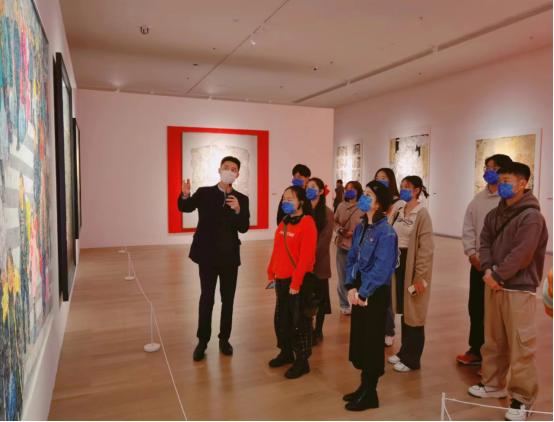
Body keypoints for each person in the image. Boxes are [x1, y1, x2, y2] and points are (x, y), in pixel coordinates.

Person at [469, 163, 549, 422]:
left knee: (521, 346)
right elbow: (485, 241)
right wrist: (488, 269)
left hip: (518, 289)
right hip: (494, 283)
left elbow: (523, 253)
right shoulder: (495, 213)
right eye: (500, 180)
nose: (501, 184)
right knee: (493, 340)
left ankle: (523, 399)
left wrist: (498, 275)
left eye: (506, 180)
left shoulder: (532, 217)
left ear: (522, 184)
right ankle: (493, 383)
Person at [178, 157, 251, 362]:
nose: (229, 171)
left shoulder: (242, 198)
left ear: (237, 175)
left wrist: (238, 210)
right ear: (219, 170)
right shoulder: (204, 193)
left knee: (228, 300)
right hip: (207, 256)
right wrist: (185, 195)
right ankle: (202, 341)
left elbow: (244, 227)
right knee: (206, 300)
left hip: (230, 258)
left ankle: (224, 339)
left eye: (233, 169)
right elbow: (185, 207)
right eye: (226, 167)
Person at [342, 181, 398, 412]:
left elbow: (382, 269)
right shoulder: (362, 226)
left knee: (373, 342)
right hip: (359, 292)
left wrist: (364, 292)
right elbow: (352, 258)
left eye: (368, 195)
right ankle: (363, 386)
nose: (363, 198)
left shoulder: (387, 232)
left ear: (379, 203)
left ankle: (370, 393)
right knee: (361, 339)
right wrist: (350, 286)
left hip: (374, 294)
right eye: (363, 193)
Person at [457, 154, 513, 367]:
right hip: (479, 264)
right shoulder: (477, 200)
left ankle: (494, 359)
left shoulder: (508, 200)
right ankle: (476, 350)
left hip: (501, 267)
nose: (490, 171)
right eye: (487, 167)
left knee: (496, 314)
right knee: (476, 308)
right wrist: (472, 254)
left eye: (495, 168)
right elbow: (468, 228)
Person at [267, 186, 318, 380]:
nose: (285, 202)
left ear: (301, 202)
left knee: (299, 322)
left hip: (298, 281)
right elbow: (277, 249)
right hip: (281, 279)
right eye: (284, 199)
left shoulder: (308, 224)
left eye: (290, 199)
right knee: (282, 319)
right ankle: (286, 352)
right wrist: (271, 271)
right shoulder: (284, 222)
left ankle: (302, 361)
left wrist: (296, 283)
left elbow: (306, 258)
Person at [389, 176, 434, 373]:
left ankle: (412, 359)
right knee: (404, 310)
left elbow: (426, 249)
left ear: (416, 190)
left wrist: (419, 277)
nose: (403, 189)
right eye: (401, 186)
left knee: (414, 312)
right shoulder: (399, 209)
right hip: (398, 265)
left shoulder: (422, 214)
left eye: (407, 187)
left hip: (413, 266)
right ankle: (403, 351)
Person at [375, 168, 403, 347]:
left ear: (391, 180)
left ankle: (389, 330)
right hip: (373, 252)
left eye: (383, 178)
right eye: (377, 178)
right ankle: (378, 327)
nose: (380, 181)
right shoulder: (374, 201)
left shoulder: (398, 204)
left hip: (388, 252)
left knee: (388, 294)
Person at [307, 178, 335, 346]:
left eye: (313, 187)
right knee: (306, 298)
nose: (309, 189)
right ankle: (307, 329)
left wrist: (308, 258)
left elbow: (324, 241)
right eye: (307, 187)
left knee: (321, 299)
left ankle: (318, 331)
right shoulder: (303, 210)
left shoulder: (327, 213)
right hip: (303, 263)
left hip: (319, 262)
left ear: (321, 191)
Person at [335, 181, 364, 315]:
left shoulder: (363, 207)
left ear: (358, 190)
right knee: (342, 277)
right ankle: (344, 304)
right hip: (342, 246)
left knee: (357, 276)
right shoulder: (341, 206)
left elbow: (367, 224)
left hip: (358, 247)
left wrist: (355, 232)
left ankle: (357, 302)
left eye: (352, 189)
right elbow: (334, 221)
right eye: (347, 189)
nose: (349, 191)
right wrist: (340, 229)